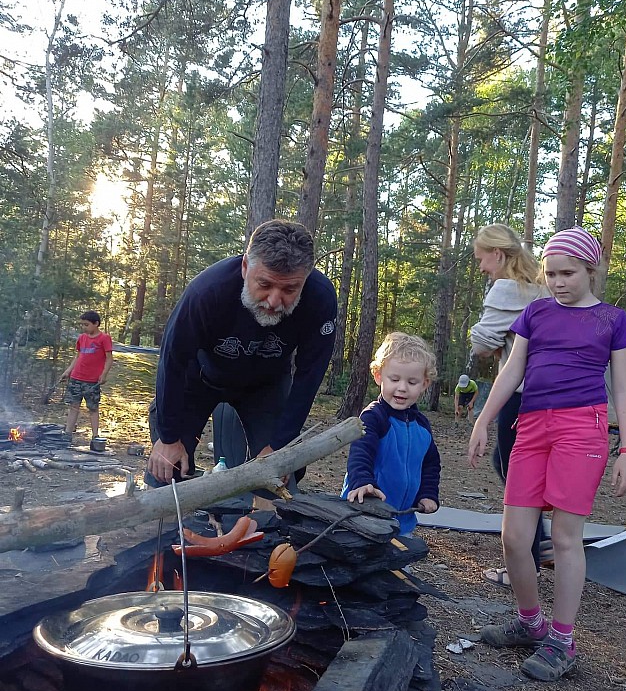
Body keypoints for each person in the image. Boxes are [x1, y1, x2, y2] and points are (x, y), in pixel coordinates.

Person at [468, 227, 626, 681]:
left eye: (568, 273)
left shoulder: (612, 320)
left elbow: (624, 386)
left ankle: (562, 639)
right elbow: (510, 372)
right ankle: (530, 621)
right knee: (513, 537)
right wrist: (484, 421)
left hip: (583, 429)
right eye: (551, 274)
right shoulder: (537, 312)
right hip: (532, 425)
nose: (559, 282)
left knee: (565, 538)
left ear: (590, 270)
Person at [146, 220, 337, 494]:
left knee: (278, 473)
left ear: (305, 280)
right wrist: (168, 436)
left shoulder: (320, 298)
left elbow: (310, 374)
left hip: (266, 385)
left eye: (289, 289)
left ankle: (265, 529)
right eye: (265, 284)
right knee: (168, 467)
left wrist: (281, 445)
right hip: (200, 377)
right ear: (246, 266)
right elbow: (172, 361)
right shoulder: (207, 291)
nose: (274, 300)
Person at [469, 224, 550, 587]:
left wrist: (481, 334)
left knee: (513, 473)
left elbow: (483, 345)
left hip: (517, 394)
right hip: (547, 394)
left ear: (498, 255)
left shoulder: (506, 290)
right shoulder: (544, 289)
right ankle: (542, 540)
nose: (482, 267)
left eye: (482, 259)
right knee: (518, 469)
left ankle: (526, 562)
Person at [341, 332, 441, 536]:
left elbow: (431, 464)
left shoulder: (422, 426)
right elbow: (360, 454)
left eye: (412, 382)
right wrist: (363, 483)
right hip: (364, 514)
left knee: (398, 563)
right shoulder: (373, 417)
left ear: (424, 384)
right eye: (394, 379)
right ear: (379, 376)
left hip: (402, 520)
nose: (402, 388)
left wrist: (428, 493)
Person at [60, 310, 113, 440]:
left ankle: (95, 436)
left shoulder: (104, 338)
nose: (83, 327)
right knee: (74, 406)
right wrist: (68, 371)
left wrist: (104, 375)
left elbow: (109, 358)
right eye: (82, 325)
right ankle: (68, 433)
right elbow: (78, 356)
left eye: (86, 324)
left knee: (93, 408)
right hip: (76, 378)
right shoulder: (81, 338)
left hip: (92, 381)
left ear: (96, 324)